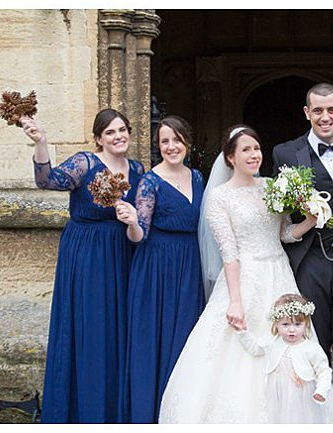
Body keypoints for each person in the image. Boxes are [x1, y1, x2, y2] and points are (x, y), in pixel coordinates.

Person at [158, 125, 318, 423]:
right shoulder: (219, 198)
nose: (254, 154)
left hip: (279, 275)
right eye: (246, 149)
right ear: (230, 157)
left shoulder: (272, 186)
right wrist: (235, 300)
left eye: (256, 149)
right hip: (244, 278)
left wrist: (310, 219)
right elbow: (228, 253)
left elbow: (284, 233)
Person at [20, 109, 145, 423]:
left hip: (122, 253)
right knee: (89, 327)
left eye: (122, 130)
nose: (118, 137)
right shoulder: (85, 163)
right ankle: (82, 412)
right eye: (110, 133)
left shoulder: (138, 169)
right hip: (87, 254)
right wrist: (41, 142)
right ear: (98, 139)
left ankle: (115, 411)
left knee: (118, 328)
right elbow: (47, 181)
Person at [271, 82, 333, 423]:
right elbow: (277, 210)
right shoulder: (285, 154)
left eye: (331, 110)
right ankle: (315, 415)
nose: (325, 117)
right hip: (310, 259)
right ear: (306, 113)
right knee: (314, 338)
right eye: (318, 110)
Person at [116, 116, 206, 423]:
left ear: (187, 143)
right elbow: (140, 234)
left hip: (189, 264)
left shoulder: (197, 178)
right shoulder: (150, 182)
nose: (171, 146)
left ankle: (179, 415)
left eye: (176, 140)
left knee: (184, 340)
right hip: (156, 268)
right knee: (154, 340)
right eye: (164, 141)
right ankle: (149, 416)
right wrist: (130, 223)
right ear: (158, 146)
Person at [231, 293, 333, 424]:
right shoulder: (273, 342)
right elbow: (255, 348)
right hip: (277, 393)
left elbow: (324, 371)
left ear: (306, 323)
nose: (292, 330)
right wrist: (241, 332)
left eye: (297, 324)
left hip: (300, 396)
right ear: (276, 324)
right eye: (285, 324)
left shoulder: (311, 349)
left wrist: (321, 390)